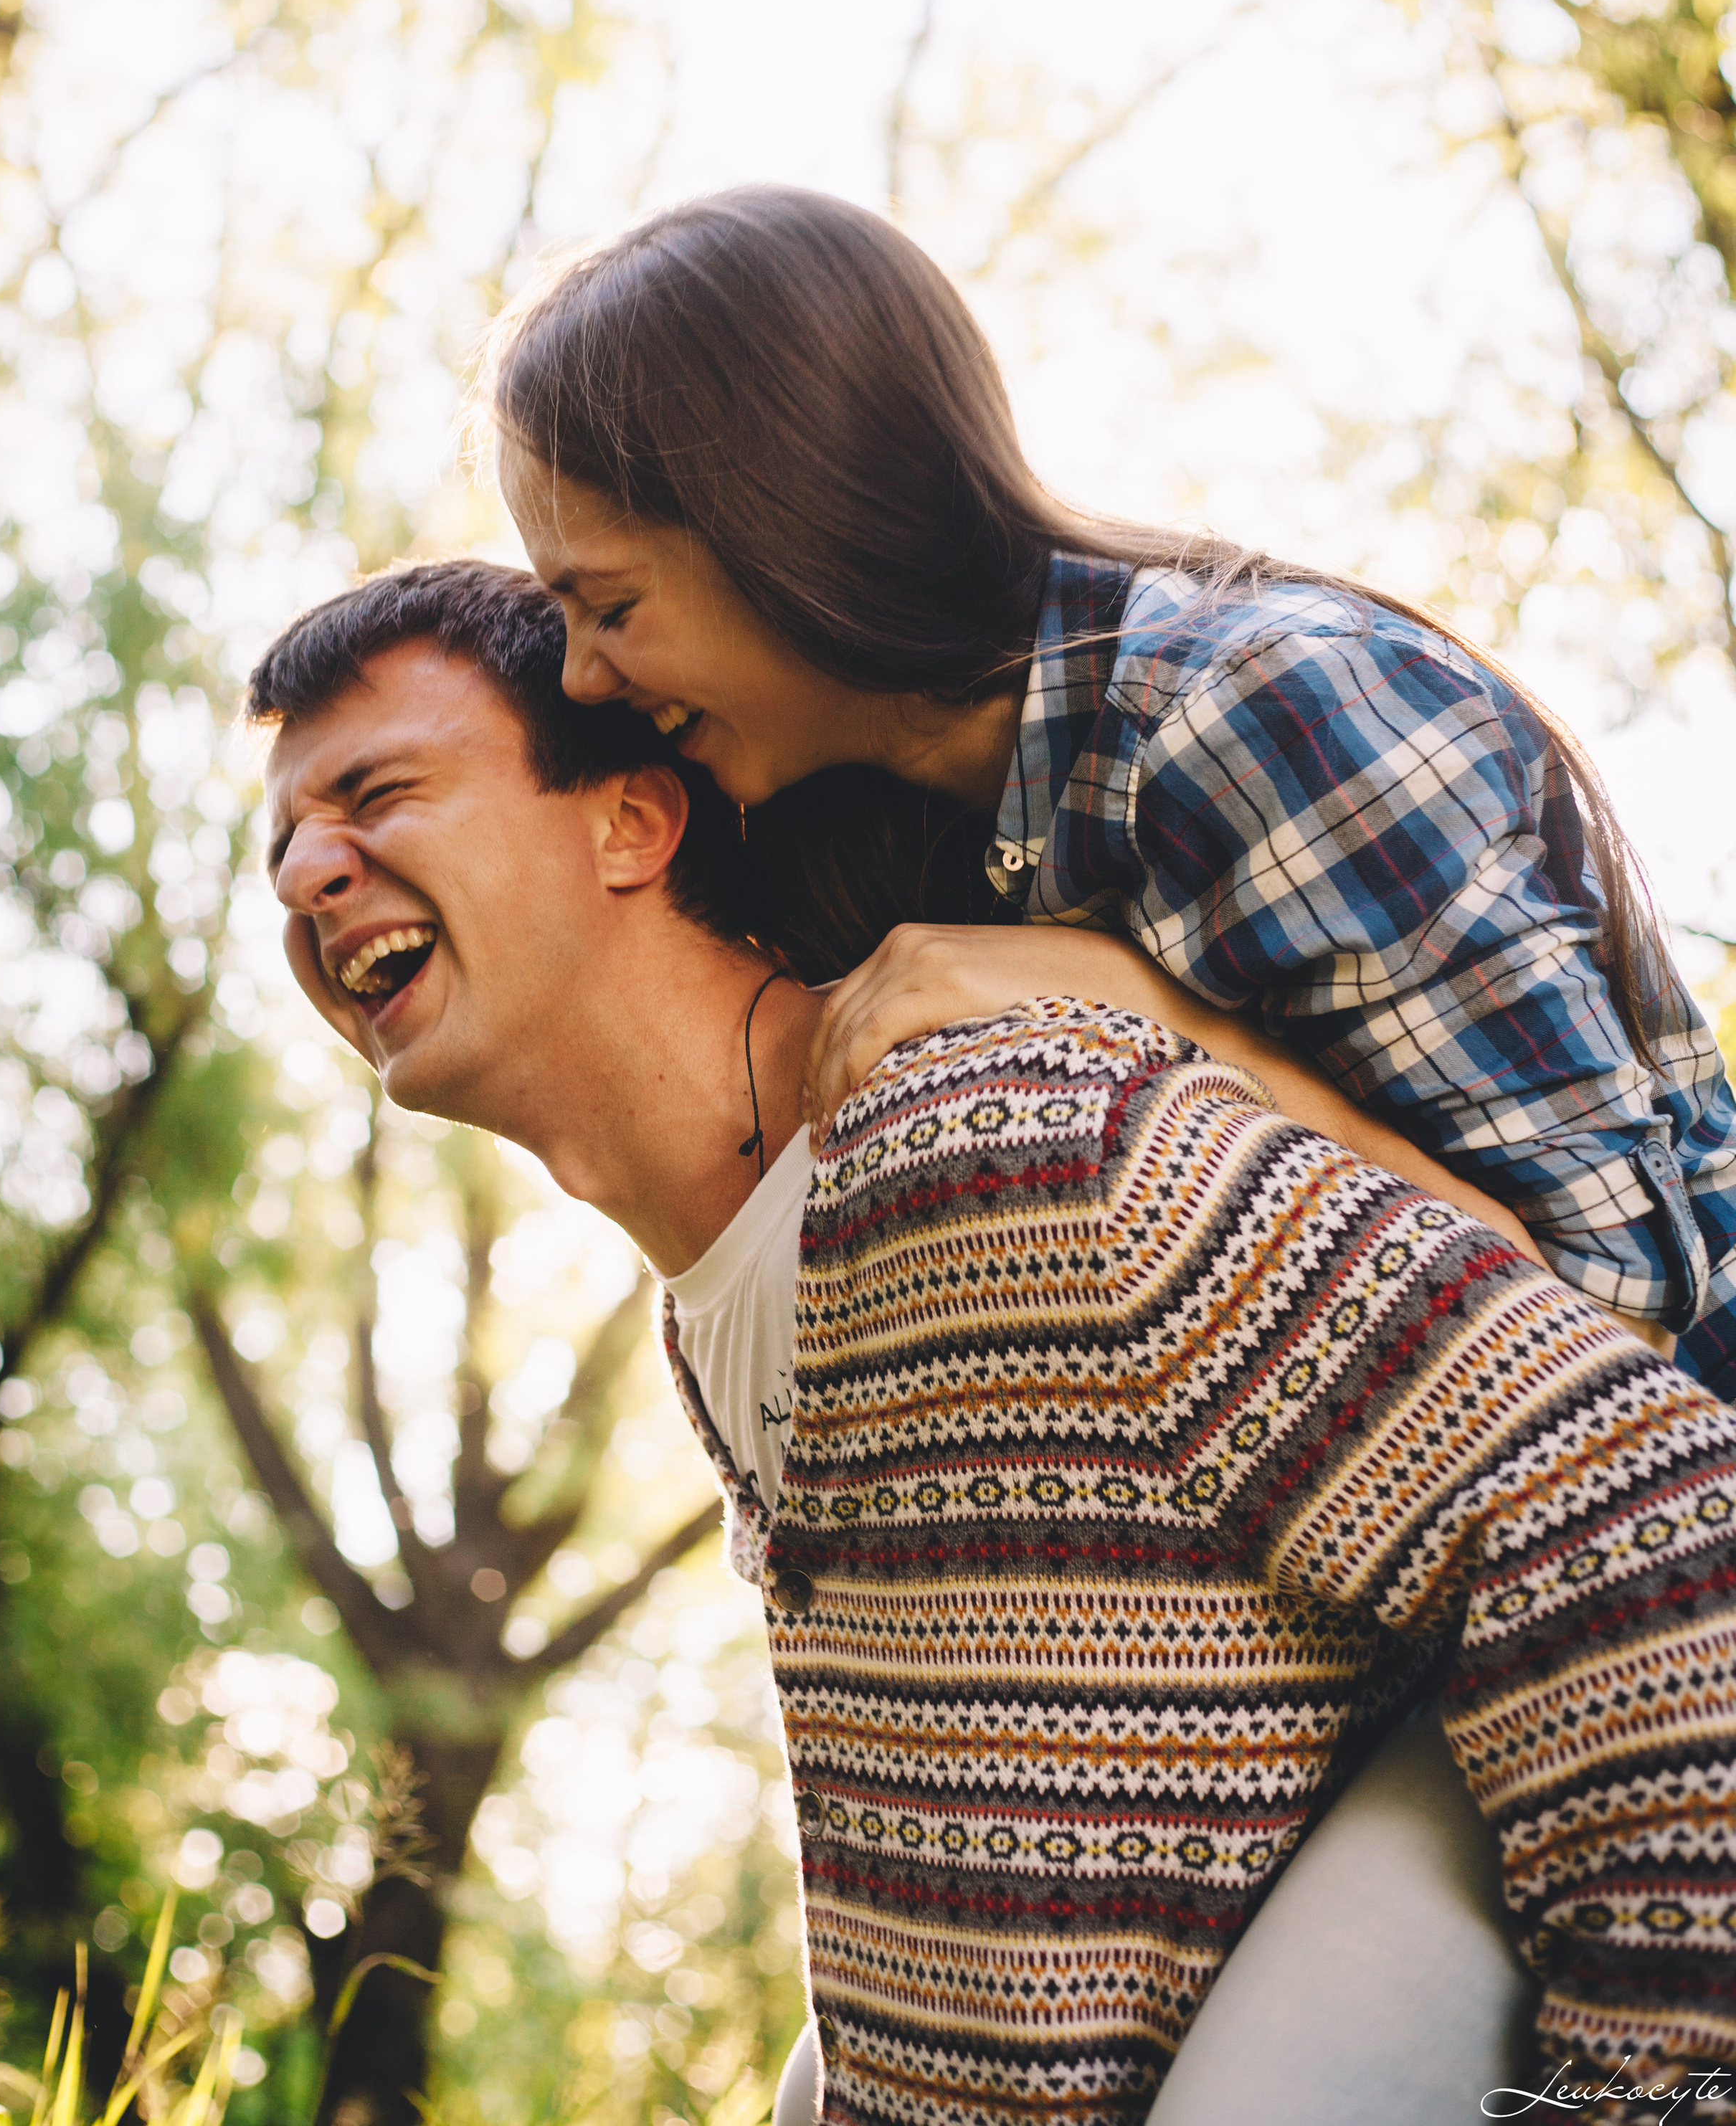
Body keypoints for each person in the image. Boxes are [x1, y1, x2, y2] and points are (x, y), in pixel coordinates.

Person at [251, 558, 1736, 2125]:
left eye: (375, 792)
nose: (301, 876)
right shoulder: (723, 1316)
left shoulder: (1003, 1143)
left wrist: (1650, 2090)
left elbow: (1653, 1519)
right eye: (281, 842)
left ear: (630, 818)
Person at [486, 182, 1736, 1391]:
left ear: (786, 524)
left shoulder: (1260, 712)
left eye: (611, 607)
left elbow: (1611, 1340)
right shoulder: (895, 834)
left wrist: (1145, 1017)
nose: (586, 678)